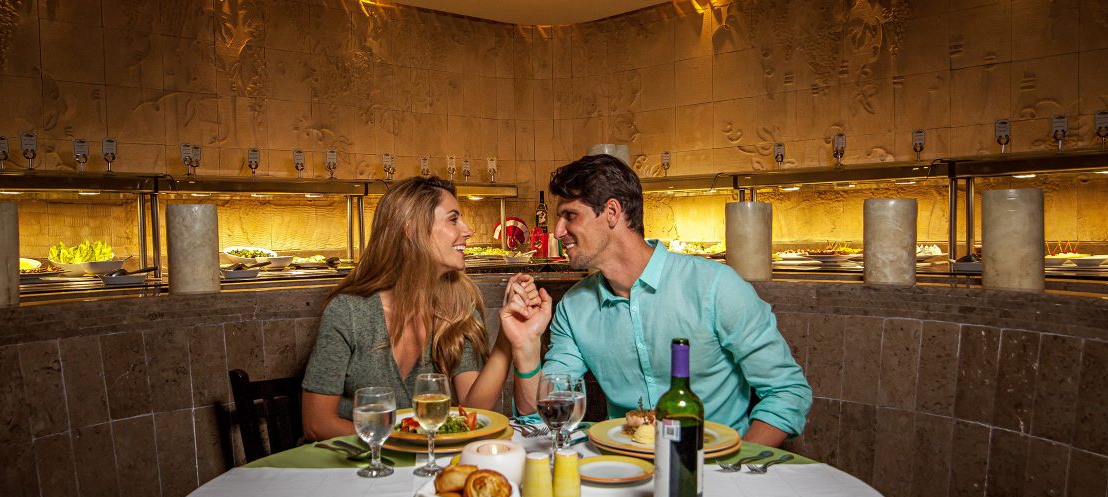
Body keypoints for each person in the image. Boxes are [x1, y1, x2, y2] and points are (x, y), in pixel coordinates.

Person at [511, 154, 812, 447]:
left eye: (570, 215)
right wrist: (525, 345)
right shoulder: (574, 309)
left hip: (713, 468)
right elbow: (539, 414)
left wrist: (734, 468)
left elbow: (787, 392)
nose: (558, 231)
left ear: (612, 213)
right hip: (624, 470)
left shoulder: (715, 287)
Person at [300, 176, 549, 440]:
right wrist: (408, 442)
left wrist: (506, 339)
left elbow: (472, 409)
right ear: (411, 230)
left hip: (424, 467)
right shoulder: (349, 312)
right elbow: (317, 424)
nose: (468, 230)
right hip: (354, 467)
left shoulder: (457, 307)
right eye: (453, 219)